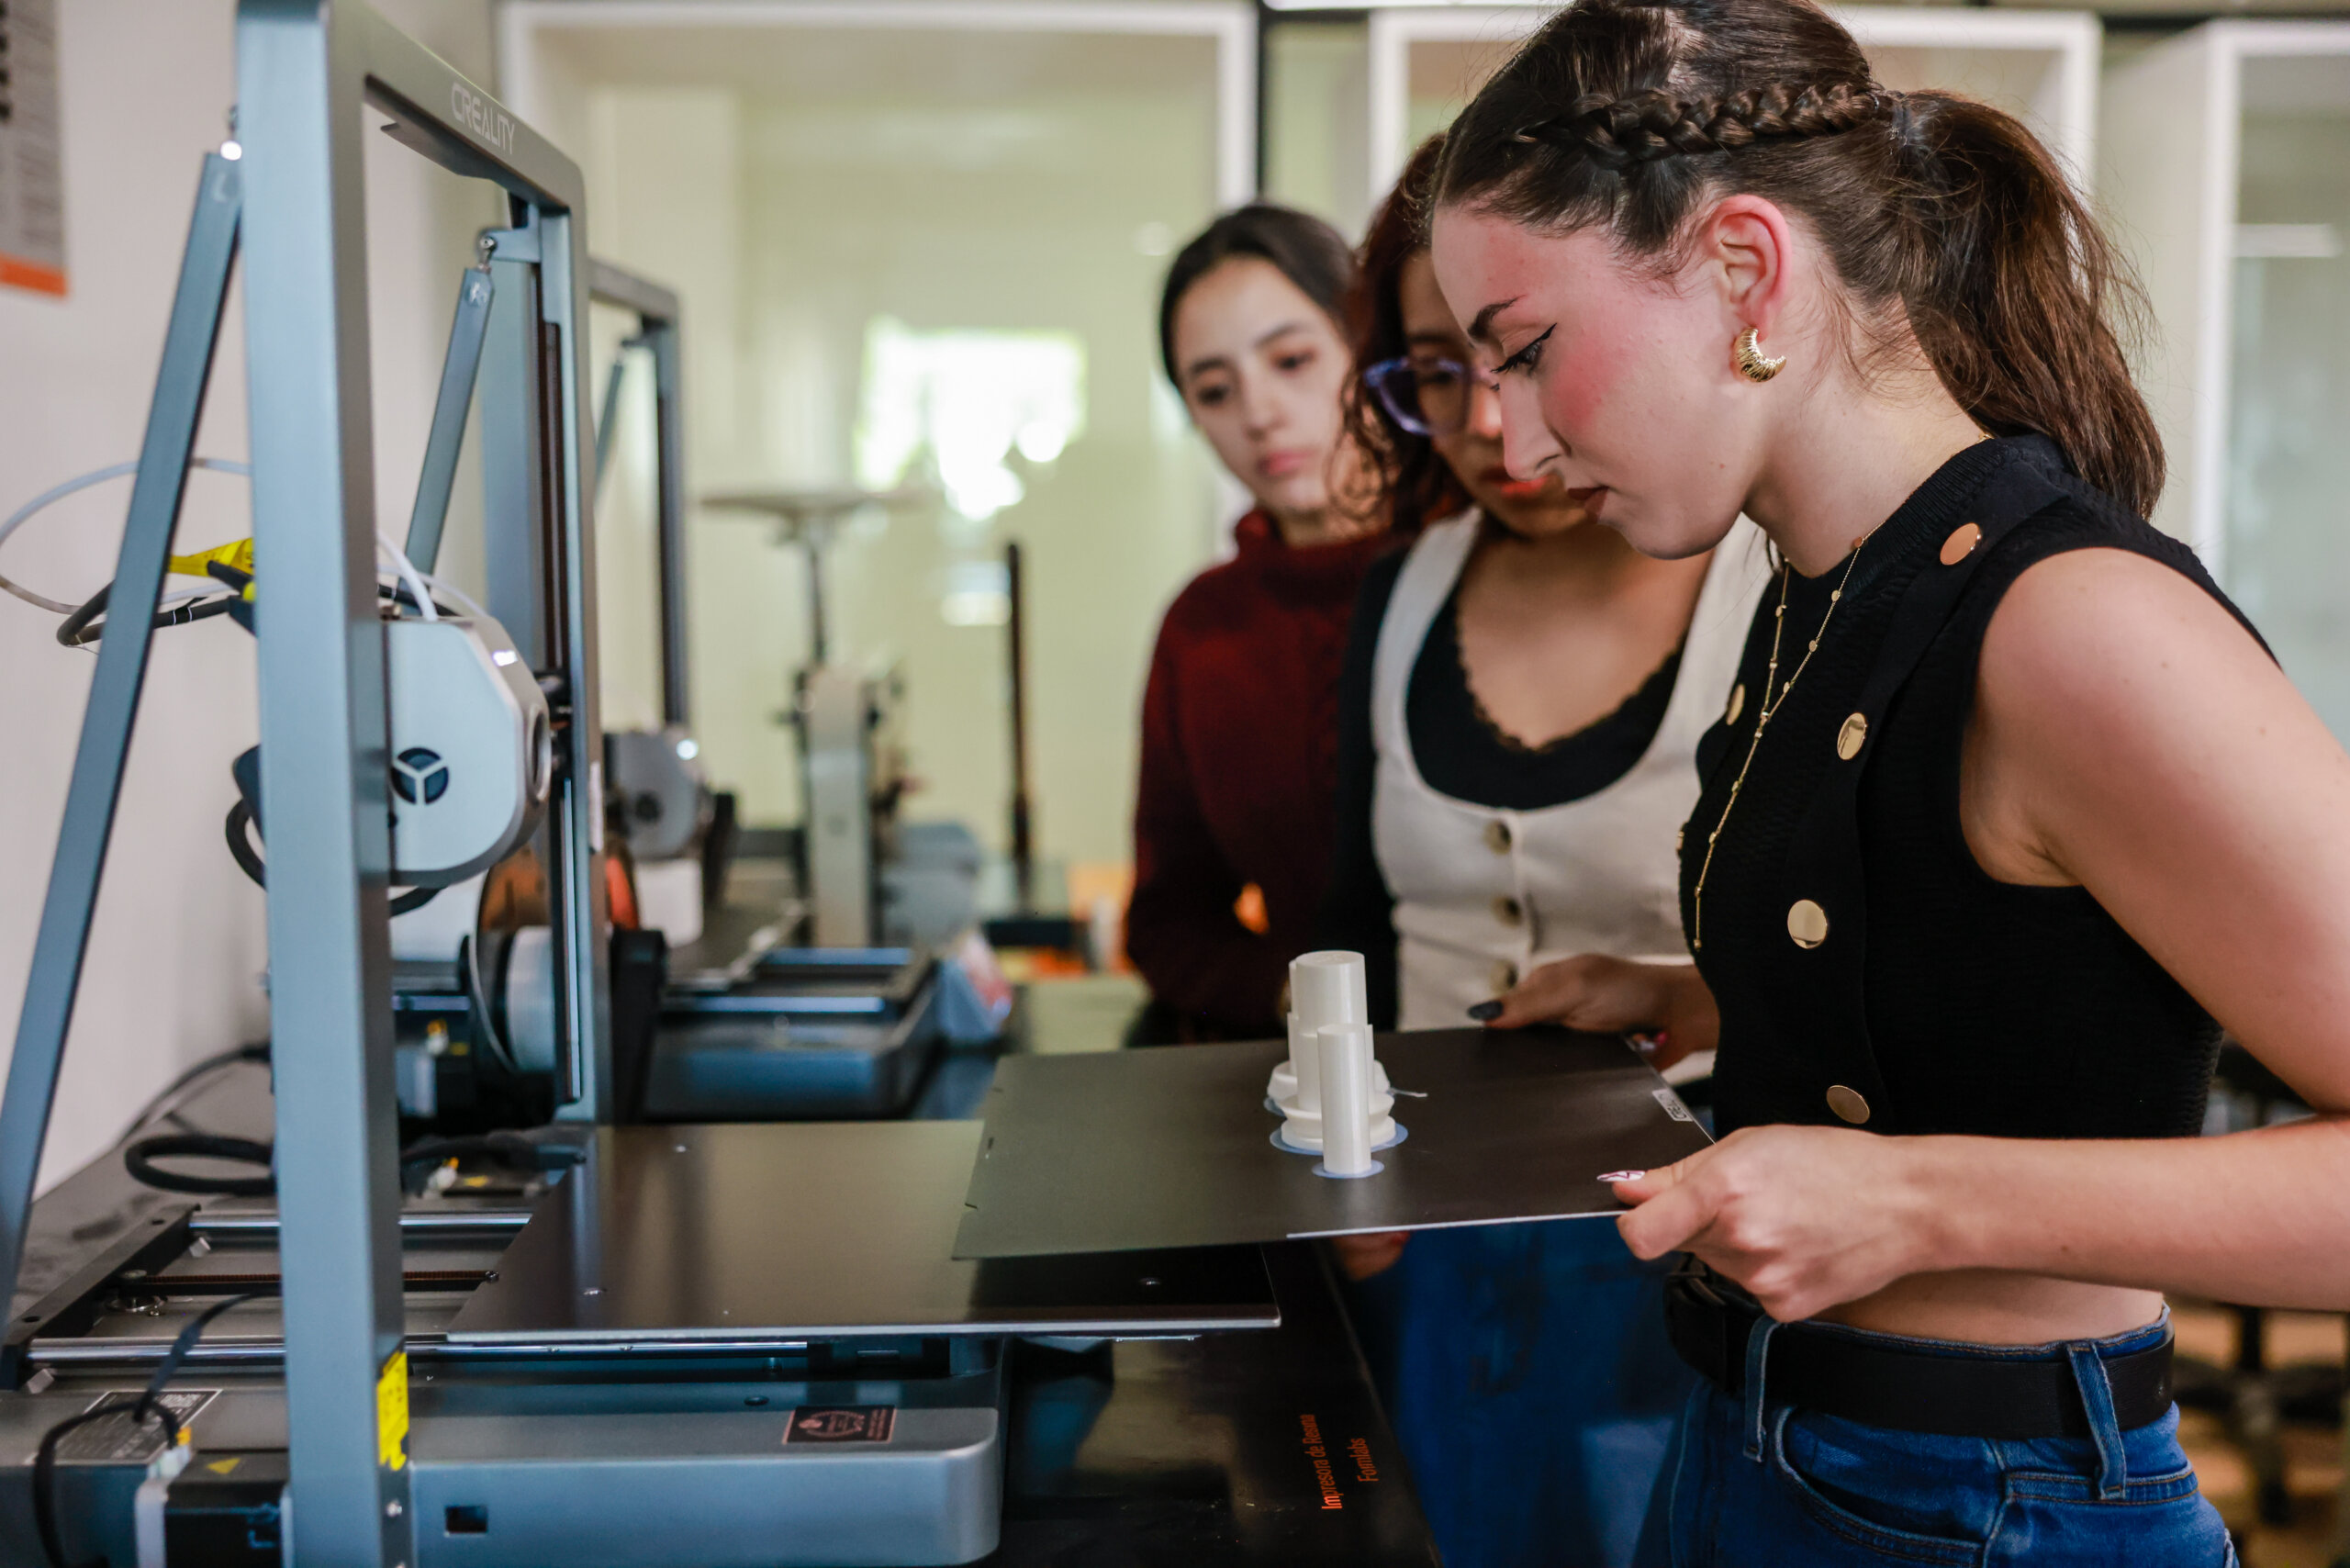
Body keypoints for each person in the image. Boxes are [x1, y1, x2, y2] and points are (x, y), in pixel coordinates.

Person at [1429, 0, 2350, 1561]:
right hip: (1767, 1439)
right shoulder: (1817, 580)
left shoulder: (2079, 624)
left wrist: (1917, 1200)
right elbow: (2012, 950)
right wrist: (1709, 992)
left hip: (1986, 1498)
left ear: (1743, 270)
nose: (1507, 436)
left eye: (1529, 350)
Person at [1318, 135, 1767, 1568]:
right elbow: (1348, 925)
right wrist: (1337, 1154)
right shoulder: (1401, 595)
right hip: (1426, 1227)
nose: (1484, 420)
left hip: (1686, 1227)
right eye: (1429, 371)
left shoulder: (1766, 579)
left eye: (1513, 353)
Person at [1125, 204, 1394, 1041]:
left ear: (1369, 348)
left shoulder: (1483, 563)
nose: (1261, 412)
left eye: (1292, 360)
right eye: (1214, 388)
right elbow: (1168, 921)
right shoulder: (1205, 629)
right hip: (1318, 1087)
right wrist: (1304, 1008)